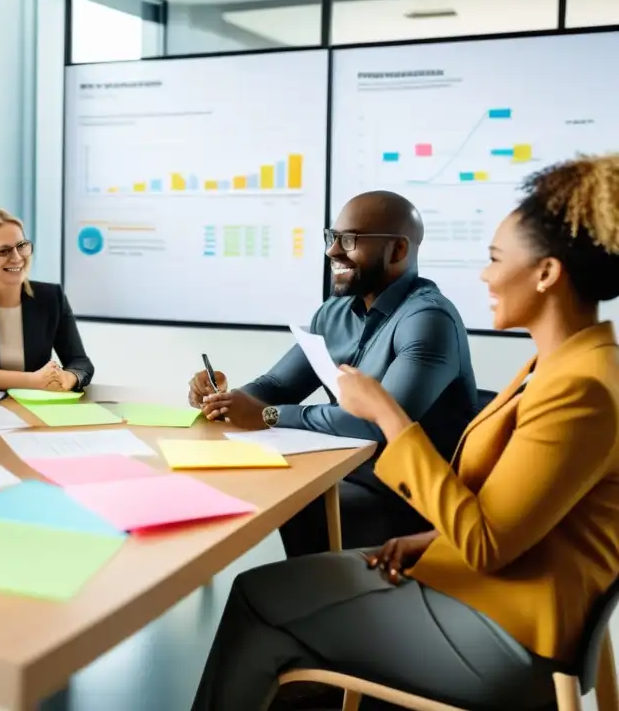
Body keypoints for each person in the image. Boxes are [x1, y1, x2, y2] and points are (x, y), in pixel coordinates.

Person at [191, 154, 619, 711]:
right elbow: (523, 514)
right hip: (478, 575)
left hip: (504, 631)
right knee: (279, 585)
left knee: (257, 598)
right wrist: (430, 543)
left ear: (546, 274)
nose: (485, 276)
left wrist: (388, 414)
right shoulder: (569, 364)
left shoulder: (579, 386)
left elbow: (488, 543)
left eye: (494, 260)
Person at [188, 191, 478, 557]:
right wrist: (226, 400)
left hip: (406, 495)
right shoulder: (335, 311)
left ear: (398, 251)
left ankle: (325, 597)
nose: (332, 252)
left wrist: (266, 415)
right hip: (344, 467)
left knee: (294, 499)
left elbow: (378, 426)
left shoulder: (428, 320)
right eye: (332, 237)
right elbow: (278, 385)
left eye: (349, 240)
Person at [0, 208, 94, 391]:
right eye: (3, 251)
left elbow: (80, 362)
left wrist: (68, 377)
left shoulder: (51, 297)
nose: (17, 257)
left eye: (21, 246)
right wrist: (32, 381)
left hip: (39, 404)